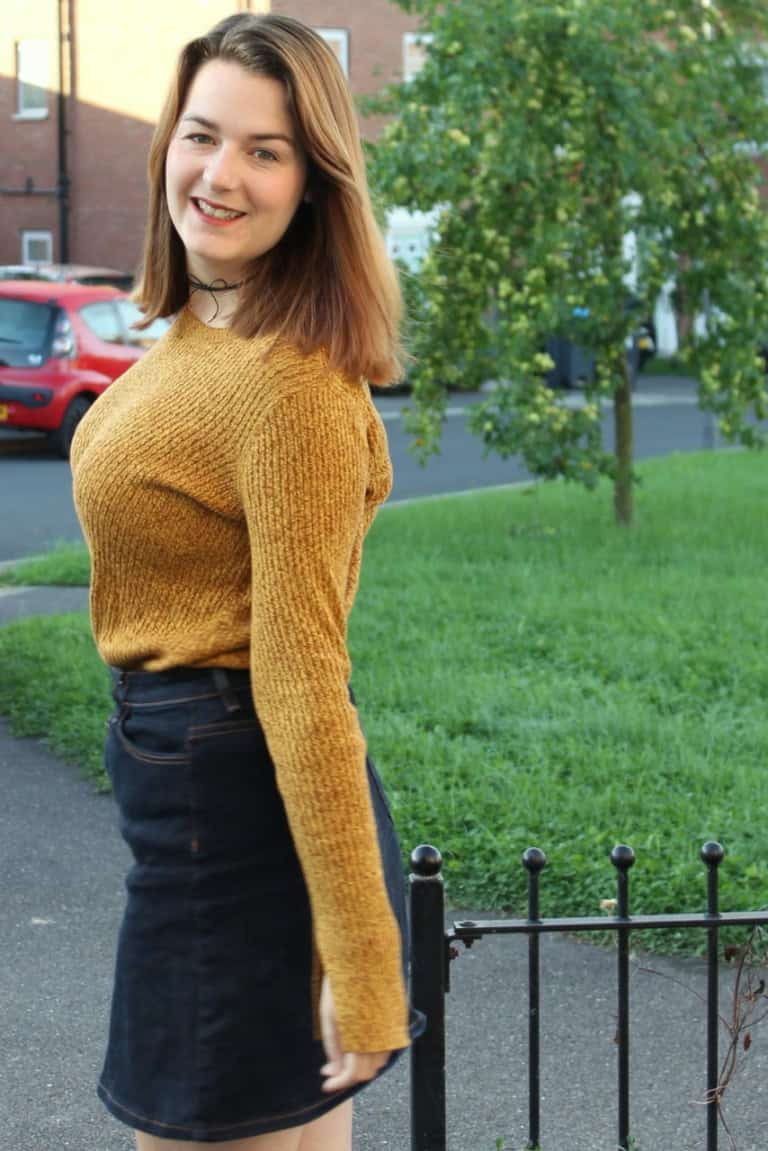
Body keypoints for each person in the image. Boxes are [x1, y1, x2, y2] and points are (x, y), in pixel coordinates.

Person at [70, 12, 424, 1150]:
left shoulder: (293, 388)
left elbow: (308, 677)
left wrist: (365, 967)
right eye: (202, 135)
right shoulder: (198, 333)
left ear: (314, 184)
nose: (220, 174)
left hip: (240, 820)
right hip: (187, 807)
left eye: (264, 151)